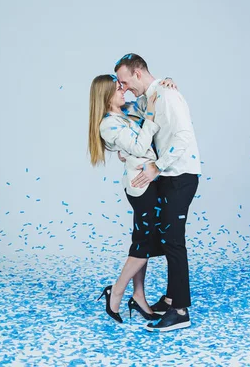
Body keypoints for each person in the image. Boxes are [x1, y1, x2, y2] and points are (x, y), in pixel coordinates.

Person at [115, 53, 201, 332]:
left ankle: (180, 310)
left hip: (180, 175)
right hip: (166, 176)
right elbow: (123, 117)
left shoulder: (166, 95)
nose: (124, 88)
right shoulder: (148, 97)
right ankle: (170, 298)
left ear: (138, 74)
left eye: (125, 81)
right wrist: (122, 149)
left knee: (173, 241)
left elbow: (184, 136)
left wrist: (156, 167)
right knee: (162, 238)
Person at [88, 73, 177, 323]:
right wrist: (148, 118)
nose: (123, 90)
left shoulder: (126, 110)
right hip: (141, 188)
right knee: (143, 244)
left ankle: (138, 295)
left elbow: (150, 97)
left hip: (151, 181)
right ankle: (116, 291)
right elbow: (139, 147)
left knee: (143, 241)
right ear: (105, 96)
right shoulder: (108, 124)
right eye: (118, 88)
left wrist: (165, 81)